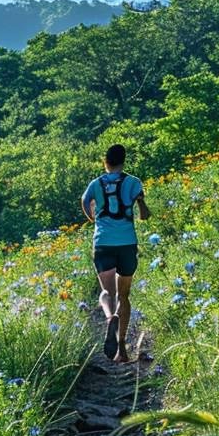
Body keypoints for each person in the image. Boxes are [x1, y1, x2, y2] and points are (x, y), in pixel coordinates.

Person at [81, 144, 148, 362]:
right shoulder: (133, 182)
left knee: (106, 293)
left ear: (105, 162)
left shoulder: (96, 183)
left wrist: (93, 218)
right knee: (124, 295)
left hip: (103, 243)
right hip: (127, 243)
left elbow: (84, 201)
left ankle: (110, 317)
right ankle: (121, 348)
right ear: (123, 161)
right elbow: (144, 213)